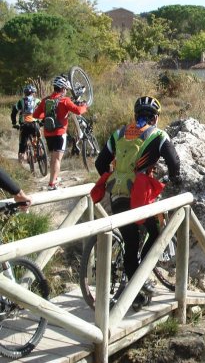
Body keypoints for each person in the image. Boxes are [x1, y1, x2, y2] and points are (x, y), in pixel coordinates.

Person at [95, 96, 180, 308]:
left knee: (130, 242)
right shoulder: (158, 135)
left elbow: (100, 163)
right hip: (140, 195)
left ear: (136, 116)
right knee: (157, 231)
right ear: (156, 117)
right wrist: (173, 178)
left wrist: (118, 175)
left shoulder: (119, 133)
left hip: (117, 194)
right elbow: (174, 163)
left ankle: (136, 289)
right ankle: (141, 276)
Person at [33, 75, 88, 190]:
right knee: (57, 159)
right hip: (59, 133)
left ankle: (53, 178)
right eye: (66, 89)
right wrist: (84, 106)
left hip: (48, 133)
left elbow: (36, 115)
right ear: (63, 88)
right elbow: (78, 111)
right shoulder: (65, 100)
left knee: (53, 157)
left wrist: (46, 116)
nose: (66, 91)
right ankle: (52, 184)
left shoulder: (45, 100)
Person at [11, 84, 41, 164]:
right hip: (35, 125)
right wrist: (42, 121)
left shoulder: (21, 101)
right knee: (37, 138)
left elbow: (14, 113)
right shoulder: (37, 101)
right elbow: (44, 111)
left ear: (25, 93)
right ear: (33, 93)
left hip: (24, 125)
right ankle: (39, 152)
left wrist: (14, 123)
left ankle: (20, 162)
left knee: (22, 143)